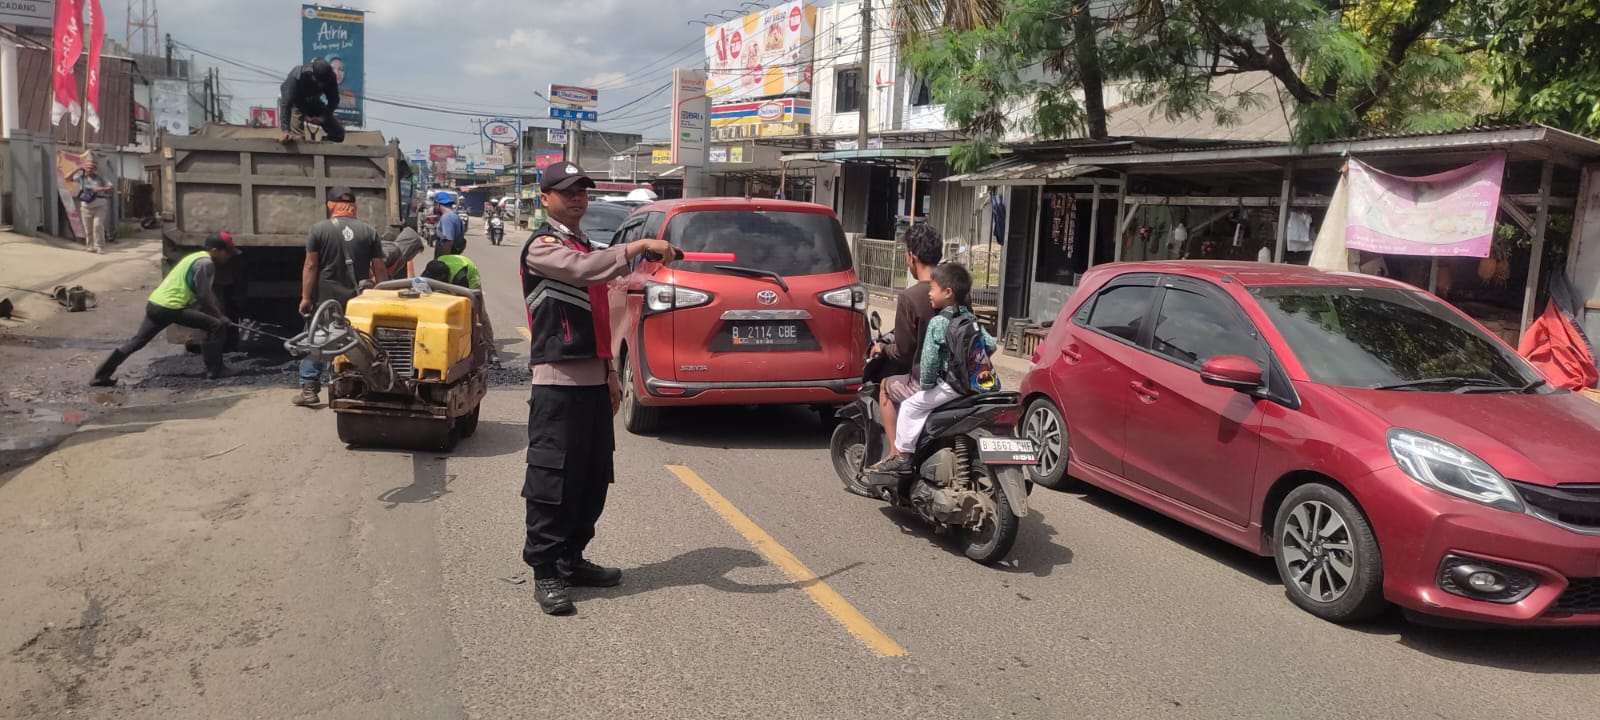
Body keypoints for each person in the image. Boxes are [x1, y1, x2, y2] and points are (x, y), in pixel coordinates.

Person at [519, 162, 678, 615]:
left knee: (591, 478)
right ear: (545, 198)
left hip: (593, 380)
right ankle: (546, 570)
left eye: (583, 191)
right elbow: (586, 271)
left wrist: (610, 373)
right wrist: (640, 245)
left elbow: (601, 315)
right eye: (567, 191)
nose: (577, 198)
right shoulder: (543, 247)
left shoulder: (586, 245)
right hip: (557, 383)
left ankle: (572, 558)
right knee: (553, 479)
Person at [871, 263, 997, 475]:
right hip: (974, 385)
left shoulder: (939, 323)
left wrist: (926, 386)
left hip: (951, 386)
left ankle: (901, 456)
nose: (929, 293)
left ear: (948, 293)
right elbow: (991, 345)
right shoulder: (971, 319)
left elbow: (928, 361)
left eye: (933, 288)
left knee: (911, 406)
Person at [91, 233, 241, 386]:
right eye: (227, 252)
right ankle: (216, 370)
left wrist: (219, 313)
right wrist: (219, 317)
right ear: (215, 250)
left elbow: (206, 293)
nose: (228, 256)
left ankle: (101, 375)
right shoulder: (205, 264)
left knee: (137, 341)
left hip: (155, 304)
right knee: (215, 325)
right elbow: (203, 295)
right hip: (171, 307)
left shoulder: (195, 257)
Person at [295, 186, 388, 407]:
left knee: (317, 338)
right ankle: (347, 384)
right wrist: (383, 297)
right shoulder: (369, 232)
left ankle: (309, 389)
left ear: (330, 205)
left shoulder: (319, 230)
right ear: (354, 206)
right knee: (358, 340)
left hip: (326, 299)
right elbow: (379, 268)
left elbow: (310, 266)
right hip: (358, 299)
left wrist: (305, 297)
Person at [866, 224, 942, 492]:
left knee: (887, 385)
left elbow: (904, 351)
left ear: (912, 256)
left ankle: (897, 455)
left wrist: (881, 349)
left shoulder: (911, 296)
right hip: (957, 377)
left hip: (927, 379)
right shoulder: (955, 290)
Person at [277, 58, 346, 144]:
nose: (321, 85)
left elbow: (334, 100)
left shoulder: (330, 77)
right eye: (318, 82)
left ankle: (320, 151)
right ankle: (302, 154)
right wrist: (285, 130)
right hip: (297, 104)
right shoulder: (297, 75)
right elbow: (286, 103)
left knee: (338, 134)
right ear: (312, 74)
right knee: (298, 140)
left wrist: (323, 117)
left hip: (314, 102)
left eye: (323, 83)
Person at [74, 159, 114, 254]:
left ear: (95, 169)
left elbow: (111, 187)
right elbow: (67, 178)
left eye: (92, 167)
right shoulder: (81, 178)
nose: (90, 169)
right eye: (88, 167)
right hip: (86, 206)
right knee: (88, 228)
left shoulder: (101, 178)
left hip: (99, 204)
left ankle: (99, 246)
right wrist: (77, 169)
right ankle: (90, 246)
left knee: (97, 226)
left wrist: (101, 188)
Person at [434, 192, 465, 258]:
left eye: (435, 204)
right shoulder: (454, 216)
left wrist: (443, 261)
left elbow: (448, 241)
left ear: (438, 203)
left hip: (447, 259)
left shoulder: (447, 218)